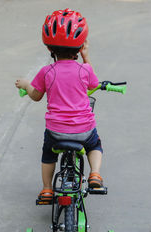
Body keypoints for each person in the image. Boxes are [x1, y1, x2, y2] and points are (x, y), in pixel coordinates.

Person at [15, 8, 103, 201]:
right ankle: (95, 173)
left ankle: (47, 188)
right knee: (95, 144)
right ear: (80, 48)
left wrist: (26, 85)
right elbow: (94, 85)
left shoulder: (46, 72)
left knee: (48, 155)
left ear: (49, 48)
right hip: (84, 131)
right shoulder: (83, 69)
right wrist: (86, 57)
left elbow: (36, 96)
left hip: (56, 132)